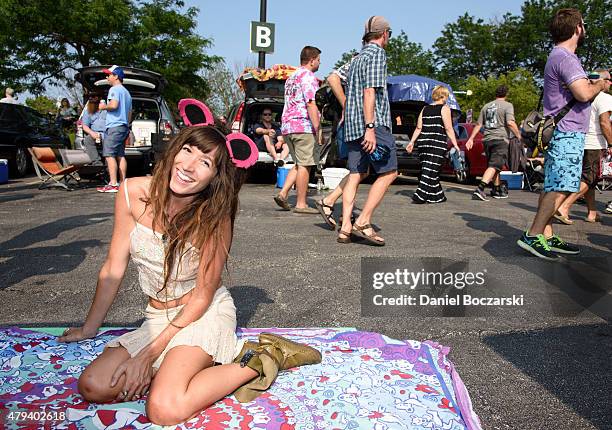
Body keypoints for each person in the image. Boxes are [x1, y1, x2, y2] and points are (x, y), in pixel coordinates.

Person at [57, 113, 321, 426]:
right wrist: (89, 328)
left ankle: (263, 357)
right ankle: (176, 365)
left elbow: (201, 297)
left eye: (205, 163)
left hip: (202, 314)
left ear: (214, 177)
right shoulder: (131, 193)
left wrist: (147, 355)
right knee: (95, 386)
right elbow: (114, 266)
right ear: (174, 150)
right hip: (157, 318)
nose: (189, 166)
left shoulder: (215, 216)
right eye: (187, 150)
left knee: (164, 409)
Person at [516, 9, 610, 261]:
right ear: (577, 28)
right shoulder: (566, 58)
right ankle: (534, 234)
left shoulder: (560, 56)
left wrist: (591, 81)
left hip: (563, 130)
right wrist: (601, 83)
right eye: (584, 24)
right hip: (568, 131)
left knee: (553, 184)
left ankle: (545, 234)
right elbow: (582, 93)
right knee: (561, 187)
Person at [337, 16, 398, 246]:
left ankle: (345, 228)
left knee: (355, 174)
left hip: (352, 125)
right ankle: (363, 221)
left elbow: (337, 80)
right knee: (389, 172)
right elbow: (369, 92)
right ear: (384, 34)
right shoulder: (377, 54)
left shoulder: (356, 58)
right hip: (372, 123)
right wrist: (371, 128)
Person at [555, 69, 612, 224]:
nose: (610, 83)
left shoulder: (582, 95)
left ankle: (592, 212)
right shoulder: (605, 98)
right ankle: (564, 207)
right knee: (589, 178)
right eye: (609, 80)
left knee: (589, 180)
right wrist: (611, 143)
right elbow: (605, 123)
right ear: (602, 81)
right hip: (594, 143)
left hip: (579, 141)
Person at [274, 46, 322, 214]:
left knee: (298, 163)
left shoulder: (291, 77)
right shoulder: (309, 77)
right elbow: (311, 102)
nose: (319, 63)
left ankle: (283, 193)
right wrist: (317, 127)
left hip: (287, 126)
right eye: (318, 60)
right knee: (305, 165)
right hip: (303, 125)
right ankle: (301, 204)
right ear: (311, 60)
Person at [315, 55, 358, 229]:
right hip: (349, 125)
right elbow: (333, 77)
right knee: (358, 170)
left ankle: (344, 213)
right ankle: (332, 205)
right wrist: (347, 104)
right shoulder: (359, 60)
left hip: (347, 125)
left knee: (357, 170)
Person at [407, 85, 461, 203]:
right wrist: (455, 144)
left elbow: (418, 127)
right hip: (436, 142)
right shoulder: (445, 108)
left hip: (423, 143)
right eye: (447, 95)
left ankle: (437, 196)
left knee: (430, 168)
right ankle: (420, 196)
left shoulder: (424, 109)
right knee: (430, 169)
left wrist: (412, 141)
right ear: (443, 96)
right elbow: (448, 128)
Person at [466, 85, 521, 200]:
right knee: (495, 165)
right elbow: (510, 123)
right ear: (506, 94)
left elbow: (479, 124)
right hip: (500, 139)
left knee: (494, 166)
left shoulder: (486, 106)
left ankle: (496, 189)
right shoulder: (508, 105)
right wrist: (519, 135)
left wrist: (471, 138)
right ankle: (480, 189)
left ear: (495, 94)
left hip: (487, 140)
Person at [97, 65, 132, 193]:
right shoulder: (127, 93)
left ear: (116, 76)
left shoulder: (114, 89)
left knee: (109, 154)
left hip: (114, 126)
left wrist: (102, 107)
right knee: (120, 155)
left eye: (109, 75)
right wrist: (126, 125)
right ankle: (123, 183)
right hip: (123, 127)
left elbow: (113, 105)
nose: (107, 77)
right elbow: (129, 113)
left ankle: (113, 184)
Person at [80, 96, 106, 165]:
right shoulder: (88, 111)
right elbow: (84, 126)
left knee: (109, 141)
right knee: (88, 140)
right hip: (94, 134)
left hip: (108, 134)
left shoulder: (108, 110)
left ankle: (108, 166)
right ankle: (97, 163)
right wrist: (92, 133)